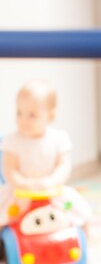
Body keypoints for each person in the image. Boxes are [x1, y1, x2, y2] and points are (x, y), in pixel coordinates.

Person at [0, 80, 91, 227]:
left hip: (51, 191)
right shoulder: (12, 140)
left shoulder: (58, 138)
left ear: (50, 116)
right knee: (4, 213)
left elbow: (63, 167)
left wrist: (51, 181)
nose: (23, 119)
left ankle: (84, 242)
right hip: (18, 192)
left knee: (81, 211)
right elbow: (9, 169)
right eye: (19, 113)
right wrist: (22, 183)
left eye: (32, 115)